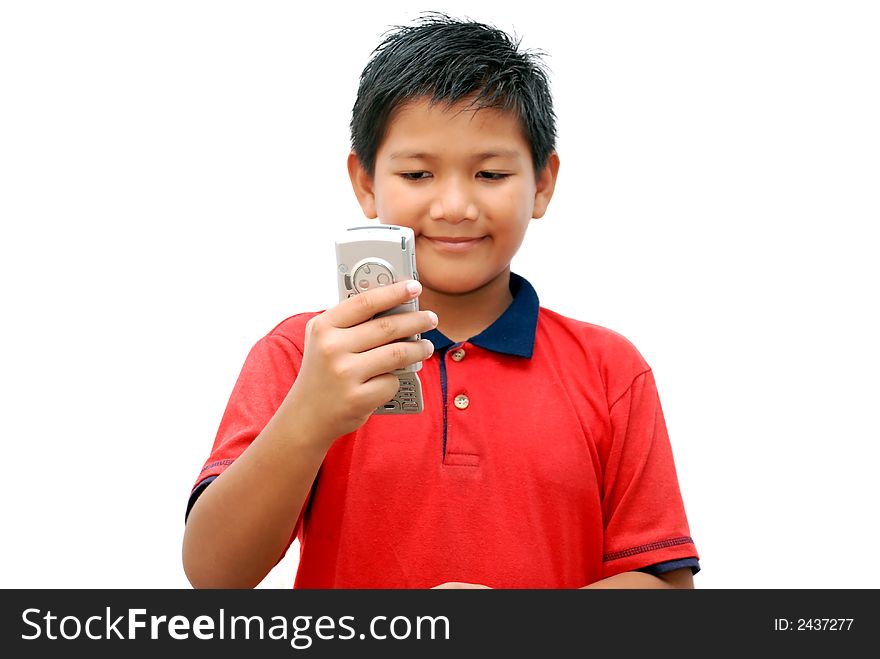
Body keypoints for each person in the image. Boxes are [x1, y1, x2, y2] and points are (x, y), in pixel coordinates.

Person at [182, 13, 700, 589]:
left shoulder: (610, 369)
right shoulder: (304, 355)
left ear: (543, 184)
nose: (454, 205)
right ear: (366, 184)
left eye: (491, 172)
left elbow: (667, 587)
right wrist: (310, 414)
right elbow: (214, 577)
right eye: (418, 173)